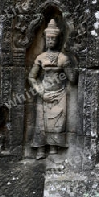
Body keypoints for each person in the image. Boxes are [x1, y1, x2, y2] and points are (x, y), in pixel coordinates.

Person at [28, 19, 75, 159]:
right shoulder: (40, 57)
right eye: (48, 38)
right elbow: (31, 77)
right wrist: (42, 93)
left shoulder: (62, 58)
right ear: (45, 38)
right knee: (40, 124)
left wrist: (68, 66)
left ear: (58, 40)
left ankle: (54, 148)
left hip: (59, 94)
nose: (50, 41)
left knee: (57, 124)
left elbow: (72, 78)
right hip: (44, 93)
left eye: (53, 38)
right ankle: (41, 149)